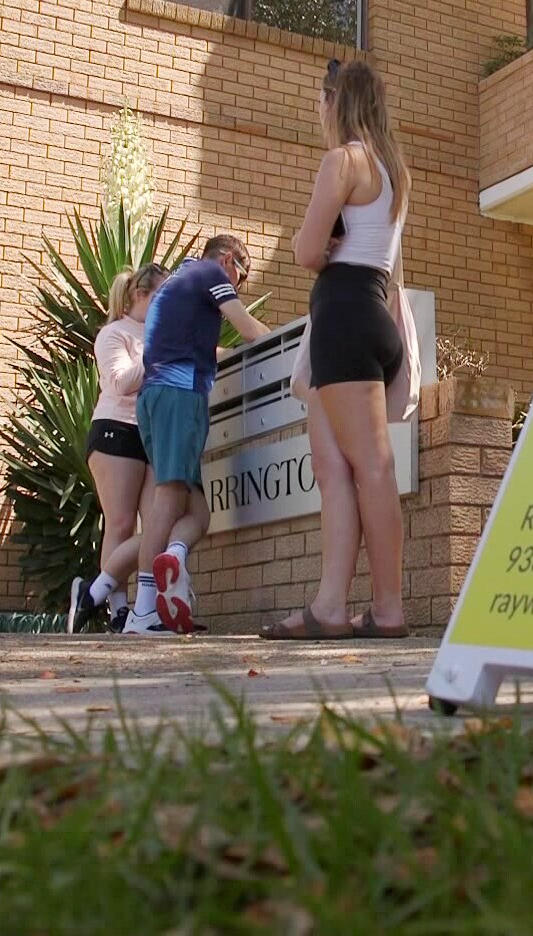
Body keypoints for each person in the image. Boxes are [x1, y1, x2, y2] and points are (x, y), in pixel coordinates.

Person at [262, 59, 413, 640]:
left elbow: (303, 251)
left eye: (320, 101)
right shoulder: (393, 170)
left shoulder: (343, 161)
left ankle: (389, 607)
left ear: (335, 101)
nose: (317, 111)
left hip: (343, 316)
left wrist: (322, 242)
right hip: (365, 312)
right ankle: (330, 606)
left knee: (370, 466)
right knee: (332, 467)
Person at [126, 234, 272, 636]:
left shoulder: (175, 282)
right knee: (169, 495)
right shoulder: (209, 271)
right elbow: (246, 327)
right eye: (240, 279)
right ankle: (142, 611)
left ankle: (173, 559)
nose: (238, 287)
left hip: (155, 397)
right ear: (228, 260)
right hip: (179, 396)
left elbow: (204, 350)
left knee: (198, 514)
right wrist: (289, 341)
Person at [67, 263, 211, 634]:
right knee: (120, 521)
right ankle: (118, 608)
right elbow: (118, 383)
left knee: (159, 522)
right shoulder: (115, 334)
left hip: (153, 431)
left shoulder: (163, 330)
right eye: (161, 297)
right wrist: (157, 352)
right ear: (139, 295)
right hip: (117, 430)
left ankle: (104, 593)